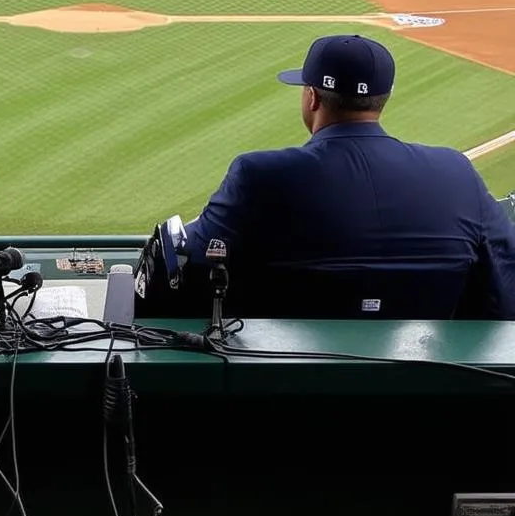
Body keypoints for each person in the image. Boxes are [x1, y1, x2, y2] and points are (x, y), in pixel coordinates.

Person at [175, 34, 515, 319]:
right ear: (383, 99)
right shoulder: (455, 171)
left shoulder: (259, 175)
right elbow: (505, 270)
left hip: (284, 384)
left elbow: (185, 265)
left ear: (312, 97)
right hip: (431, 385)